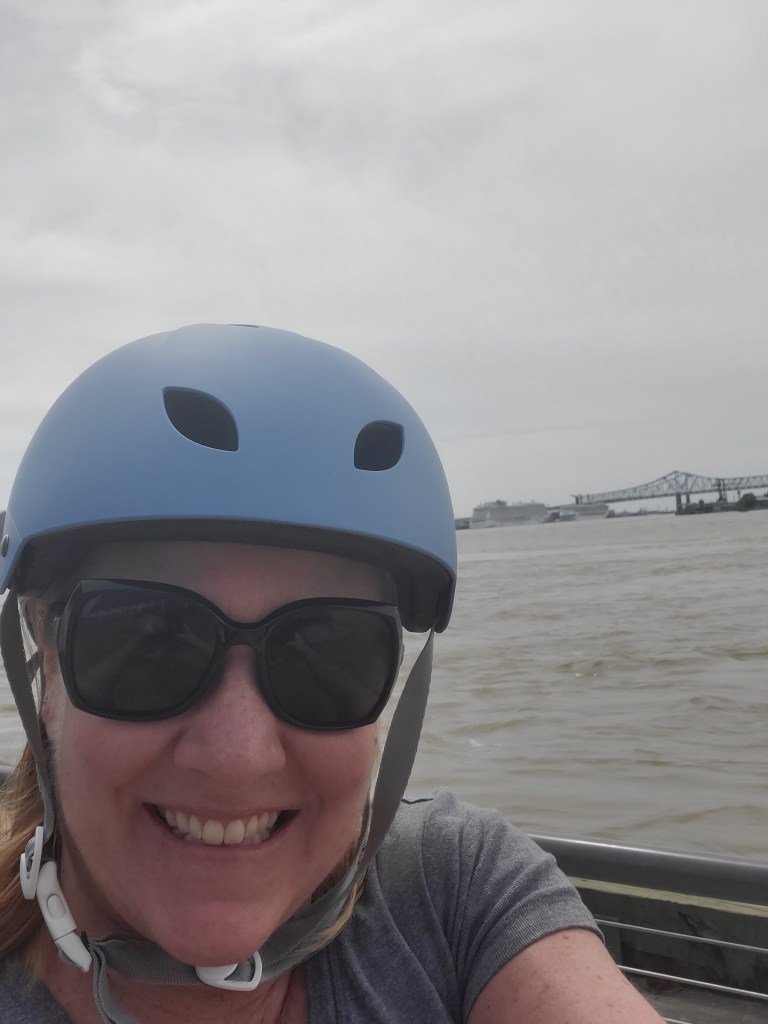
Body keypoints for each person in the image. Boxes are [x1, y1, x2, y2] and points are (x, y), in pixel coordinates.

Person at [0, 323, 663, 1023]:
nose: (238, 757)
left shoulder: (453, 891)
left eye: (327, 651)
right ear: (46, 655)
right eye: (152, 641)